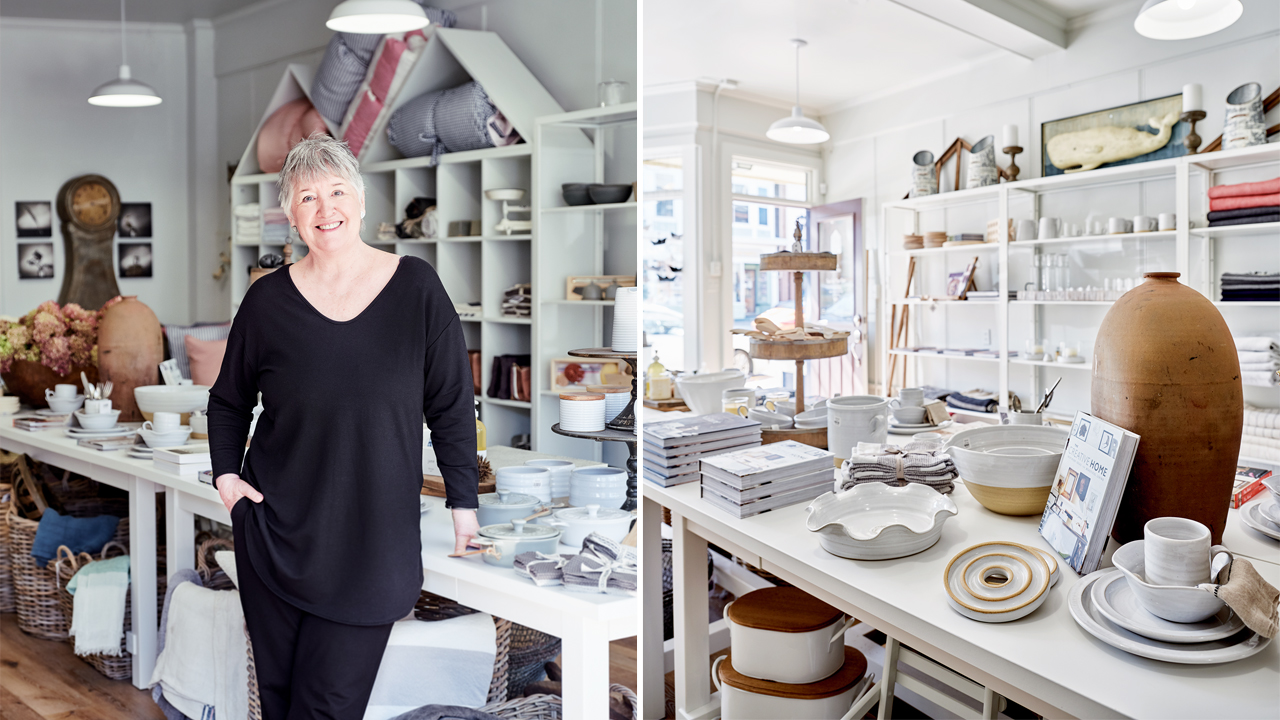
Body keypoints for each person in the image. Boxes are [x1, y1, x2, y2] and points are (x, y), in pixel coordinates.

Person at [207, 135, 480, 719]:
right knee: (280, 706)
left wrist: (464, 503)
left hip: (372, 546)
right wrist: (228, 480)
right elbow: (228, 402)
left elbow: (452, 403)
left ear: (360, 200)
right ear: (291, 214)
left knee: (325, 709)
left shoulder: (417, 288)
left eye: (336, 192)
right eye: (307, 197)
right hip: (274, 536)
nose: (325, 208)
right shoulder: (266, 302)